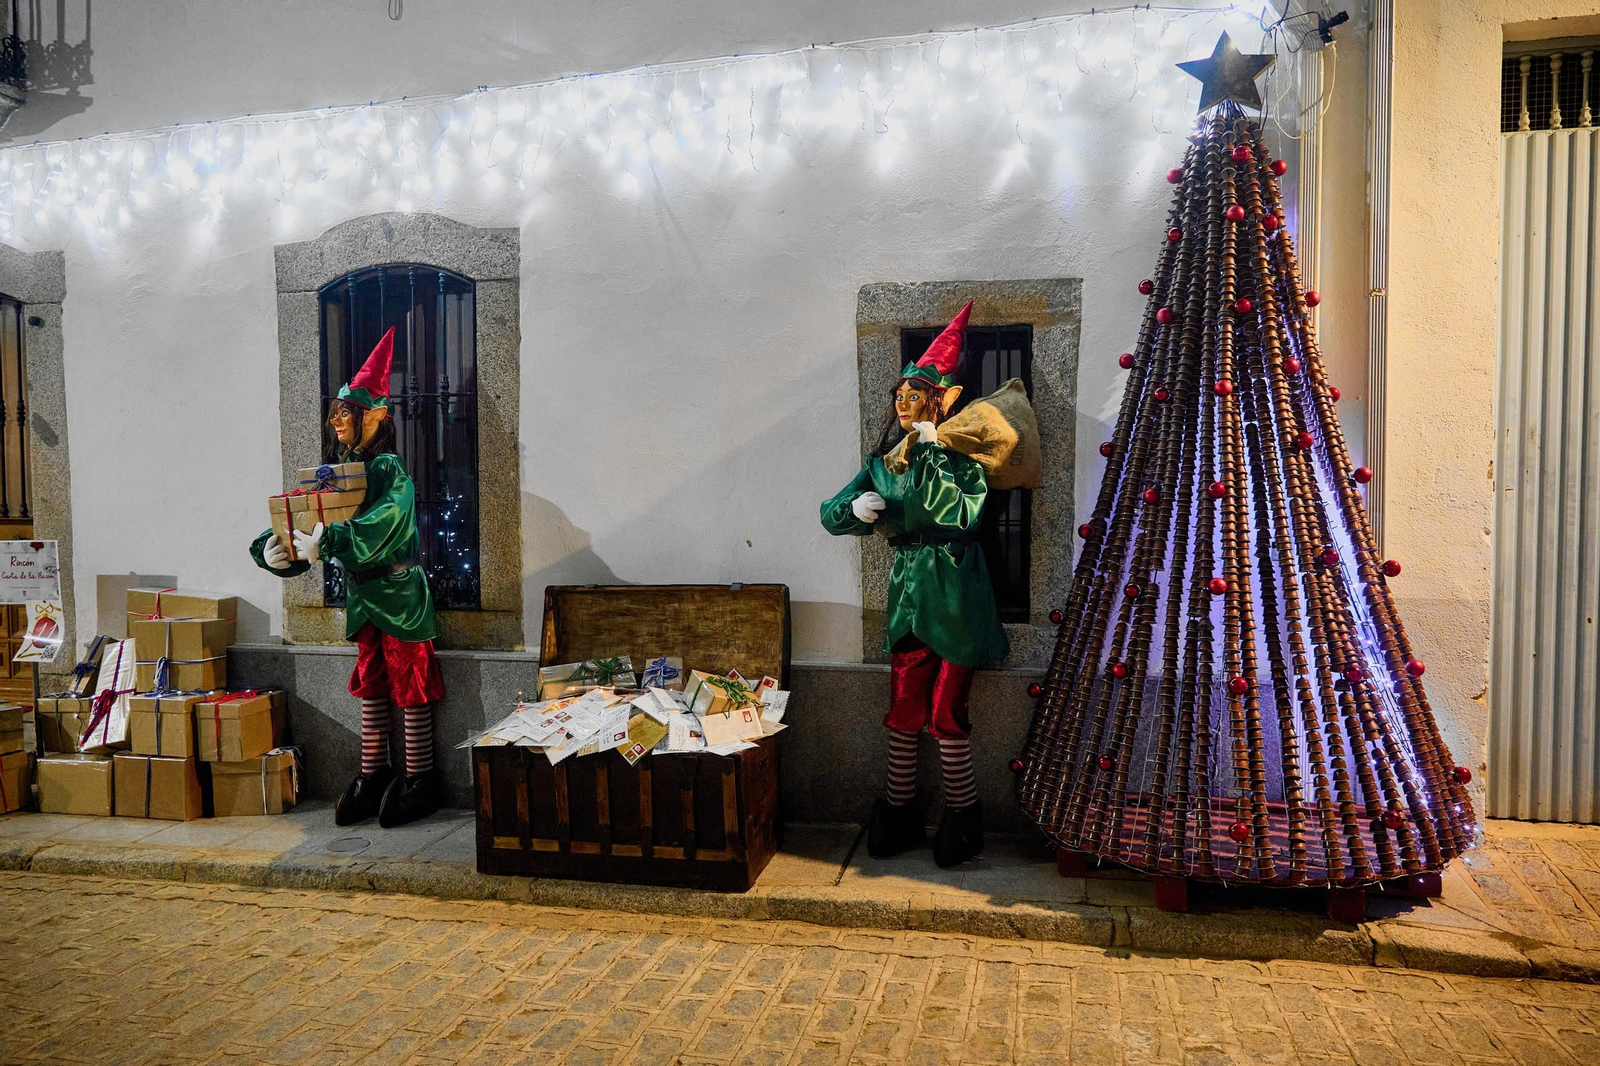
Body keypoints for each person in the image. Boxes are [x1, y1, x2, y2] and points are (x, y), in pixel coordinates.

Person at [820, 302, 1010, 867]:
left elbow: (955, 516)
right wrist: (853, 508)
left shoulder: (961, 462)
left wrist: (930, 451)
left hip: (954, 592)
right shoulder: (885, 462)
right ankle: (898, 809)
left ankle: (963, 814)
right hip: (906, 594)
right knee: (904, 706)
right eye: (899, 397)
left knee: (947, 710)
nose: (904, 405)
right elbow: (831, 512)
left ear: (940, 402)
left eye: (916, 396)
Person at [250, 327, 446, 828]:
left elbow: (383, 521)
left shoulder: (389, 471)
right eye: (335, 413)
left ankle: (420, 777)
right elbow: (313, 514)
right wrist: (277, 549)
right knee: (373, 681)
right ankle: (372, 773)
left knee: (411, 681)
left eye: (346, 413)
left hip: (400, 594)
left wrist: (333, 543)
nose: (337, 421)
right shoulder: (341, 471)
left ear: (374, 416)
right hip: (363, 596)